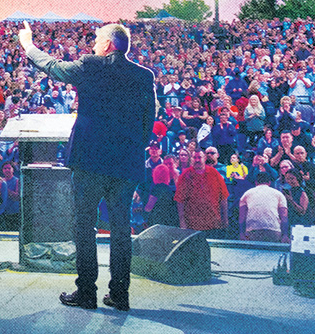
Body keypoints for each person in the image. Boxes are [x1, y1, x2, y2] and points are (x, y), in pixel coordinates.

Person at [19, 21, 155, 312]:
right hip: (125, 164)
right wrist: (130, 149)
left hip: (90, 161)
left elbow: (53, 66)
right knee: (121, 228)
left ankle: (87, 293)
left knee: (85, 226)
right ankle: (120, 295)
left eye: (96, 40)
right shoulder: (144, 76)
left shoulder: (91, 65)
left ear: (108, 44)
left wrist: (28, 45)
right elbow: (148, 126)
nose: (93, 45)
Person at [176, 149, 230, 234]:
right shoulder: (185, 175)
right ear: (191, 159)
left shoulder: (214, 173)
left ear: (204, 158)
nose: (197, 160)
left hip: (214, 224)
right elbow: (180, 201)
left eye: (199, 157)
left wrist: (225, 220)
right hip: (192, 226)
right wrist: (182, 223)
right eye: (194, 157)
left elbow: (224, 198)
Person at [238, 169, 289, 243]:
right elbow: (284, 216)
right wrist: (285, 235)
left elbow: (242, 216)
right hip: (274, 231)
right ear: (269, 183)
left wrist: (241, 233)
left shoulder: (246, 194)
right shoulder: (278, 194)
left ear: (256, 182)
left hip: (253, 231)